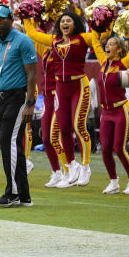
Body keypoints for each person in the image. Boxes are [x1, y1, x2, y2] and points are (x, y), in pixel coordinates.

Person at [23, 11, 96, 188]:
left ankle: (85, 166)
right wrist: (27, 13)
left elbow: (99, 34)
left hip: (78, 85)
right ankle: (70, 166)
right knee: (61, 130)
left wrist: (100, 19)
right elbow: (32, 33)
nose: (65, 23)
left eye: (68, 20)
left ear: (75, 24)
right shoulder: (54, 41)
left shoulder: (82, 38)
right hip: (59, 90)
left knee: (78, 126)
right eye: (62, 21)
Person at [0, 5, 37, 207]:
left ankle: (12, 193)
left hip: (18, 97)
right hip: (1, 97)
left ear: (10, 18)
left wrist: (30, 103)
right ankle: (24, 195)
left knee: (8, 142)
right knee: (13, 144)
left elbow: (32, 74)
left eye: (0, 18)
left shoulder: (23, 41)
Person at [90, 31, 129, 195]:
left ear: (119, 49)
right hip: (106, 112)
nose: (107, 46)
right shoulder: (103, 62)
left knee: (119, 148)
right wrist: (97, 27)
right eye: (108, 44)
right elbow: (95, 42)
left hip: (121, 110)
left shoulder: (124, 63)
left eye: (111, 44)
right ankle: (114, 182)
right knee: (105, 149)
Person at [22, 18, 68, 187]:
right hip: (47, 98)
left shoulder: (62, 49)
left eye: (50, 33)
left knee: (55, 137)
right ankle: (56, 172)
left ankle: (68, 171)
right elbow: (32, 34)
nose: (48, 35)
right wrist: (28, 16)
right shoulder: (46, 50)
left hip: (58, 97)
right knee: (46, 138)